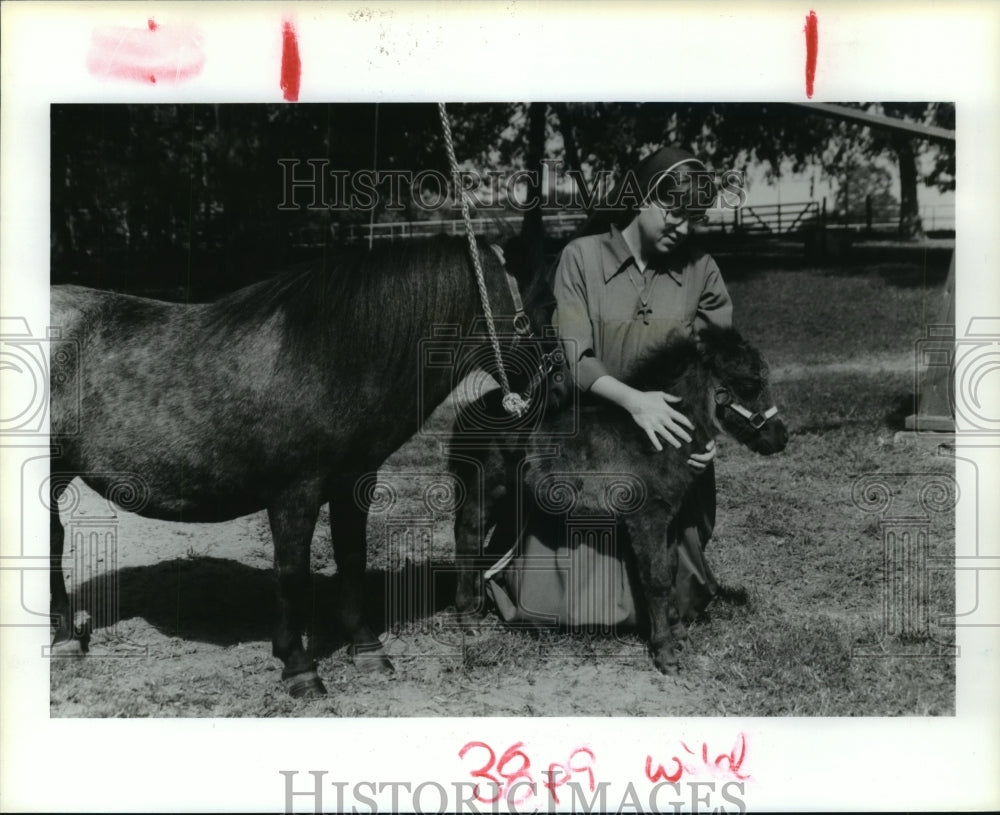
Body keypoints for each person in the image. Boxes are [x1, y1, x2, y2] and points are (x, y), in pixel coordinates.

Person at [485, 145, 732, 637]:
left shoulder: (701, 269)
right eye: (674, 213)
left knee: (675, 594)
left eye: (693, 218)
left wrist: (710, 432)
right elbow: (574, 355)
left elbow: (719, 367)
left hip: (667, 449)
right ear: (640, 198)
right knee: (577, 610)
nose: (683, 228)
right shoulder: (581, 257)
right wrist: (633, 402)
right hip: (592, 449)